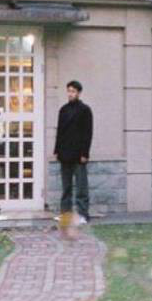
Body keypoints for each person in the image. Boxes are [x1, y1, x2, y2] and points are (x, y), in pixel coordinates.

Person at [53, 80, 93, 225]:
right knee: (66, 187)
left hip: (78, 154)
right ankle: (66, 214)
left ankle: (83, 214)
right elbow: (59, 132)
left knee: (81, 187)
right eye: (69, 91)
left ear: (78, 93)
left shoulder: (85, 110)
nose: (70, 94)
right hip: (64, 153)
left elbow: (88, 133)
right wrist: (56, 150)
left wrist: (85, 154)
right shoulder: (63, 110)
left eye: (73, 91)